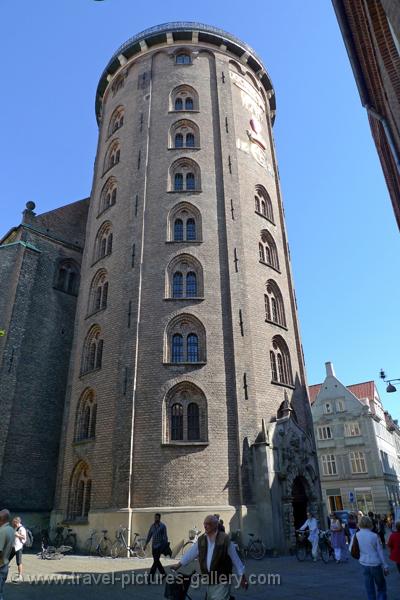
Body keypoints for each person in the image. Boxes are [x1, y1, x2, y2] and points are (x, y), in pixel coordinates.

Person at [173, 514, 247, 600]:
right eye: (204, 523)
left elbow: (235, 559)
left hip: (222, 580)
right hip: (209, 580)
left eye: (208, 523)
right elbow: (191, 552)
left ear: (215, 525)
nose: (205, 525)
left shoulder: (224, 539)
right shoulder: (201, 540)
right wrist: (178, 565)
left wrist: (242, 576)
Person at [350, 515, 388, 600]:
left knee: (369, 589)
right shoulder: (374, 536)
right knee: (381, 587)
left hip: (364, 563)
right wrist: (385, 566)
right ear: (370, 523)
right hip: (376, 564)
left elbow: (350, 549)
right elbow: (380, 552)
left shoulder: (356, 535)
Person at [144, 513, 168, 581]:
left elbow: (165, 537)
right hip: (153, 546)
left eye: (157, 518)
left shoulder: (163, 526)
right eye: (155, 518)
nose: (156, 519)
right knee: (156, 561)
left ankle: (150, 577)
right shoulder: (152, 526)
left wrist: (164, 546)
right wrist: (146, 544)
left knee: (155, 561)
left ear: (159, 518)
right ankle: (163, 573)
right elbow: (149, 535)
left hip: (159, 546)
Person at [0, 509, 16, 600]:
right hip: (5, 565)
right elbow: (13, 549)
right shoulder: (11, 530)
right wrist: (7, 560)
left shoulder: (2, 531)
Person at [8, 517, 26, 583]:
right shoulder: (15, 528)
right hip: (13, 547)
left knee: (19, 562)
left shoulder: (22, 528)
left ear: (17, 522)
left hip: (18, 548)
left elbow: (24, 538)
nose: (12, 523)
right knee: (6, 559)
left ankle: (20, 576)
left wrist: (17, 535)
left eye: (13, 522)